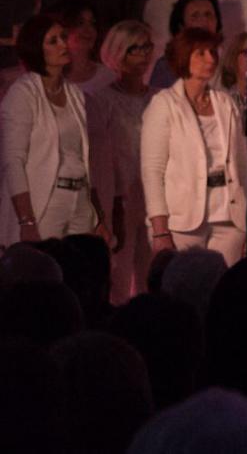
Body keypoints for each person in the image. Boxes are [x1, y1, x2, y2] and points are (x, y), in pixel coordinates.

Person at [139, 27, 247, 261]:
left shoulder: (225, 103)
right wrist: (160, 229)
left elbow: (243, 166)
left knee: (223, 288)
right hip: (182, 219)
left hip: (228, 215)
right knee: (183, 289)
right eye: (200, 53)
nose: (210, 59)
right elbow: (152, 171)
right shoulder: (164, 104)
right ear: (183, 57)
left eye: (212, 52)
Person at [4, 12, 107, 245]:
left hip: (79, 196)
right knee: (45, 271)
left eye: (63, 37)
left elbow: (83, 156)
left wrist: (97, 213)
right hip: (47, 198)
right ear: (37, 48)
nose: (63, 45)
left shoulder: (74, 93)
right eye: (53, 41)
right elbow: (13, 161)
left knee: (80, 271)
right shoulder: (23, 93)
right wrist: (26, 221)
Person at [85, 18, 156, 297]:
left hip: (153, 199)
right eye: (133, 49)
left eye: (146, 47)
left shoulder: (159, 98)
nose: (142, 55)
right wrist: (109, 205)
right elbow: (99, 159)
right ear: (117, 53)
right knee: (119, 279)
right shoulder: (101, 100)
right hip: (120, 199)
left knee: (151, 278)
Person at [148, 0, 222, 89]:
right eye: (195, 16)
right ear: (181, 26)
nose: (204, 21)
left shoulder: (226, 60)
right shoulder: (167, 66)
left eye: (208, 15)